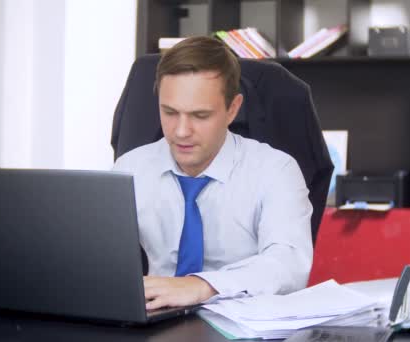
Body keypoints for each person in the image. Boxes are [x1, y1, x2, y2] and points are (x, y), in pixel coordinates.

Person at [112, 36, 312, 310]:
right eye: (169, 112)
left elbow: (288, 265)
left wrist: (202, 286)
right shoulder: (130, 169)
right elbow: (98, 259)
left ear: (232, 109)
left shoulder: (275, 170)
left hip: (244, 325)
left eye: (200, 115)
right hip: (156, 320)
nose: (181, 131)